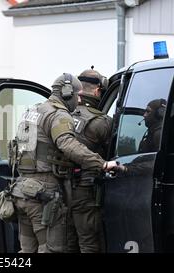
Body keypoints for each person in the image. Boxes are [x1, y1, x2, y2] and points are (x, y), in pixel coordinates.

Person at [8, 73, 123, 253]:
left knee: (27, 250)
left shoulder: (33, 110)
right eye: (77, 95)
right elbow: (68, 144)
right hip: (43, 193)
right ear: (67, 93)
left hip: (21, 190)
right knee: (52, 250)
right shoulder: (58, 115)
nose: (79, 100)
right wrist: (102, 164)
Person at [67, 67, 113, 253]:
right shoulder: (102, 122)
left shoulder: (61, 115)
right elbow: (113, 156)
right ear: (96, 91)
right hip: (85, 192)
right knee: (89, 244)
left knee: (67, 243)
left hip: (59, 189)